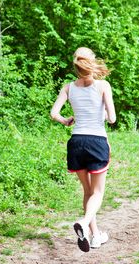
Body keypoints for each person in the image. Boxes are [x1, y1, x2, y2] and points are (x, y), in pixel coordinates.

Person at [50, 47, 116, 252]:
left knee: (87, 191)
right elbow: (112, 119)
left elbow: (54, 113)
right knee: (97, 193)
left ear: (76, 64)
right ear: (91, 62)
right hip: (96, 142)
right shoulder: (103, 85)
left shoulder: (69, 87)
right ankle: (84, 222)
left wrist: (66, 120)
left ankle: (95, 236)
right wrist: (104, 112)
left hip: (76, 142)